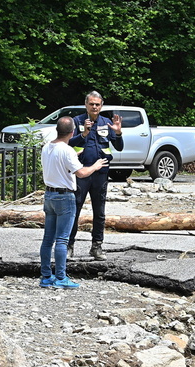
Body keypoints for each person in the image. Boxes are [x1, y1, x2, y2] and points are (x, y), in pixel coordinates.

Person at [40, 116, 108, 289]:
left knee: (48, 239)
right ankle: (61, 277)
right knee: (62, 240)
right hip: (65, 197)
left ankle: (46, 276)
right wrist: (96, 165)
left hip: (49, 195)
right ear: (72, 132)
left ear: (57, 130)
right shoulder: (67, 150)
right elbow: (82, 173)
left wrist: (75, 156)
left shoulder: (47, 147)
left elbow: (60, 161)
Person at [68, 90, 124, 261]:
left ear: (101, 106)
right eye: (91, 104)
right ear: (86, 105)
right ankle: (69, 246)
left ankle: (96, 246)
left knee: (99, 212)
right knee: (74, 210)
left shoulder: (107, 123)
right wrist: (83, 133)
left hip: (101, 173)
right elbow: (68, 144)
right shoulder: (76, 121)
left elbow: (119, 147)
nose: (94, 107)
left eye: (97, 104)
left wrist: (119, 132)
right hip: (81, 172)